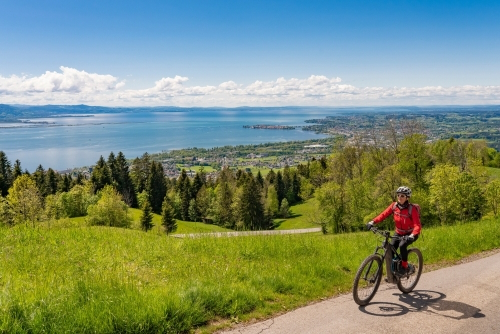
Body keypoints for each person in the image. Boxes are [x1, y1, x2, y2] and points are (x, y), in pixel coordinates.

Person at [366, 186, 421, 275]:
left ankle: (405, 266)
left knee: (402, 245)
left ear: (407, 197)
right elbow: (383, 214)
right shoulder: (394, 206)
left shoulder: (412, 209)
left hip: (410, 234)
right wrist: (372, 222)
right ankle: (394, 271)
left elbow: (417, 225)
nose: (399, 197)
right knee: (390, 251)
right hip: (398, 233)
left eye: (402, 196)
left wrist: (412, 235)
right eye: (398, 195)